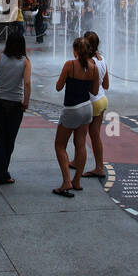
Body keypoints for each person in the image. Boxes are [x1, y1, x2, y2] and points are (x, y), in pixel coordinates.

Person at [52, 36, 100, 197]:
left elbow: (58, 87)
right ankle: (77, 180)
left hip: (72, 109)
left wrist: (67, 79)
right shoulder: (94, 67)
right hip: (87, 108)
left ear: (75, 51)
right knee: (80, 144)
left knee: (60, 146)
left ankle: (66, 182)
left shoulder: (70, 65)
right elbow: (94, 91)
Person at [0, 33, 31, 185]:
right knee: (9, 139)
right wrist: (26, 102)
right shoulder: (25, 62)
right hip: (14, 105)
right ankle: (3, 173)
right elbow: (27, 84)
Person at [82, 30, 110, 179]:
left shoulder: (88, 62)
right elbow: (106, 85)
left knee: (80, 136)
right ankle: (99, 167)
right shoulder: (102, 59)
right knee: (95, 135)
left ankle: (79, 163)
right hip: (102, 99)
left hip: (91, 101)